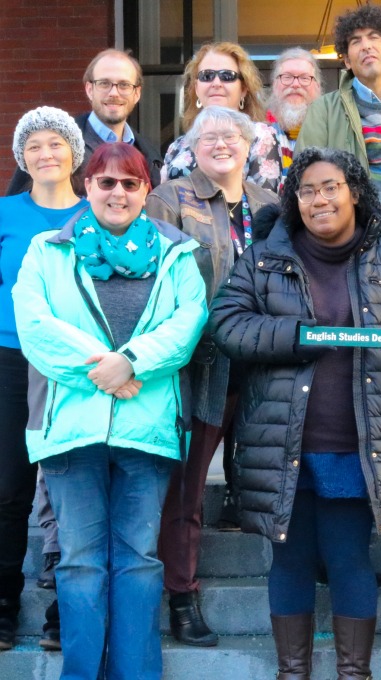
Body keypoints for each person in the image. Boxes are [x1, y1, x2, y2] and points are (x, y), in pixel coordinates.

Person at [209, 147, 381, 680]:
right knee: (288, 560)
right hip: (280, 439)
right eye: (306, 190)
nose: (319, 199)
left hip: (359, 441)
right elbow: (227, 325)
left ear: (354, 191)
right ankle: (293, 673)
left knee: (351, 558)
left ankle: (354, 673)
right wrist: (298, 336)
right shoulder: (264, 257)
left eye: (330, 186)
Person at [12, 142, 207, 678]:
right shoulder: (47, 249)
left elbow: (188, 324)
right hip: (70, 432)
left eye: (130, 183)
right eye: (106, 182)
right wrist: (108, 373)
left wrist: (133, 362)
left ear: (147, 190)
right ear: (87, 185)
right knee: (78, 564)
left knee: (140, 562)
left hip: (147, 433)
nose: (117, 192)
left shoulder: (179, 252)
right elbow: (36, 327)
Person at [146, 106, 279, 647]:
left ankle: (317, 567)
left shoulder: (271, 202)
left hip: (266, 363)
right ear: (192, 146)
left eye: (233, 135)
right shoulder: (170, 199)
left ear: (250, 145)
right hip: (202, 365)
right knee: (188, 487)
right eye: (210, 136)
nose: (222, 143)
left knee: (281, 476)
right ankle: (182, 594)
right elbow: (160, 286)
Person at [0, 107, 87, 653]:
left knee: (68, 488)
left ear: (74, 153)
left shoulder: (95, 211)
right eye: (33, 146)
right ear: (22, 158)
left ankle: (64, 608)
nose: (45, 153)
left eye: (55, 143)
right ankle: (4, 605)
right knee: (9, 489)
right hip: (9, 357)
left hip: (75, 364)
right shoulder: (5, 213)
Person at [295, 4, 381, 214]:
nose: (366, 46)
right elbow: (304, 177)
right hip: (355, 233)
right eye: (356, 41)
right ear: (347, 60)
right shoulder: (323, 110)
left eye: (373, 37)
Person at [6, 49, 162, 195]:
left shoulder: (150, 156)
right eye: (104, 83)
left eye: (124, 85)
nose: (114, 93)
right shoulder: (54, 146)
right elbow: (18, 211)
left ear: (137, 93)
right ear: (89, 89)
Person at [161, 42, 282, 193]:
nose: (216, 83)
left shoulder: (261, 137)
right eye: (207, 76)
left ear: (243, 89)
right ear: (196, 88)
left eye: (227, 76)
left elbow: (264, 206)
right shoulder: (177, 146)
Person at [266, 47, 323, 187]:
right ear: (274, 85)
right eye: (287, 77)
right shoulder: (256, 131)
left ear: (317, 86)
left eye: (304, 78)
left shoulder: (329, 133)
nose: (296, 84)